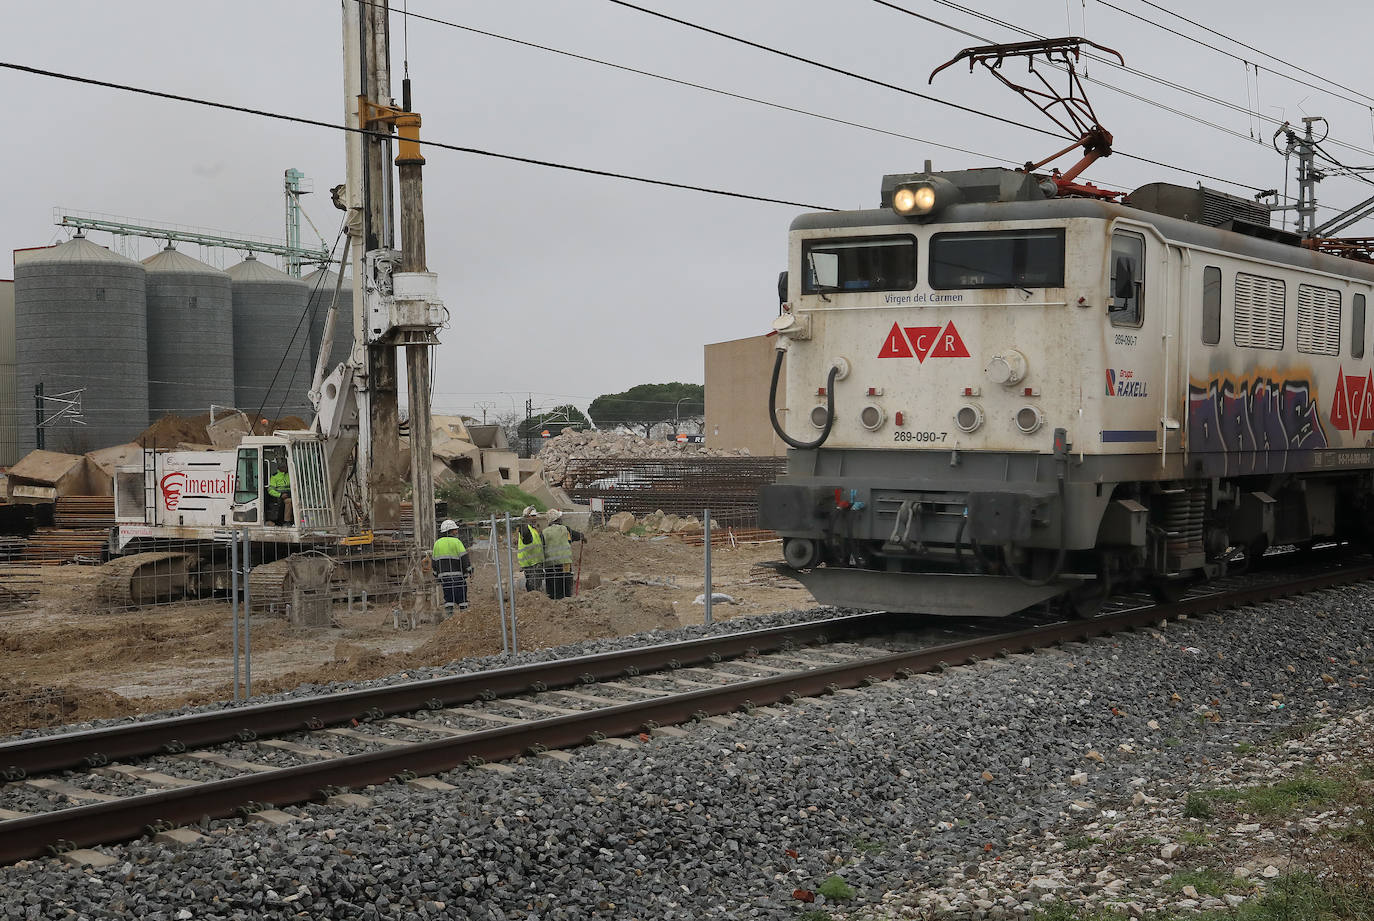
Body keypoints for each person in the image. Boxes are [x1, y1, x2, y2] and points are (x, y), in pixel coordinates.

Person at [432, 518, 472, 620]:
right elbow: (464, 558)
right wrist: (470, 570)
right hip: (458, 577)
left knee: (448, 598)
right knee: (462, 597)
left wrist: (436, 575)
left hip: (444, 578)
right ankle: (464, 618)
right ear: (450, 531)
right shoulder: (456, 542)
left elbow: (434, 562)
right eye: (455, 529)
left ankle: (449, 619)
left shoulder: (437, 544)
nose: (456, 531)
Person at [541, 508, 584, 600]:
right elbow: (577, 535)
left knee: (552, 583)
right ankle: (566, 599)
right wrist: (583, 537)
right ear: (558, 519)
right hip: (565, 562)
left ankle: (554, 600)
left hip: (550, 564)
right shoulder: (565, 529)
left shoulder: (544, 532)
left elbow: (541, 546)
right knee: (566, 582)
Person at [516, 506, 546, 592]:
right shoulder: (525, 528)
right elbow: (526, 536)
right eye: (532, 516)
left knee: (536, 585)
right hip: (530, 563)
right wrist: (524, 520)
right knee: (533, 586)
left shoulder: (533, 529)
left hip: (536, 562)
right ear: (526, 517)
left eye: (535, 516)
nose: (535, 518)